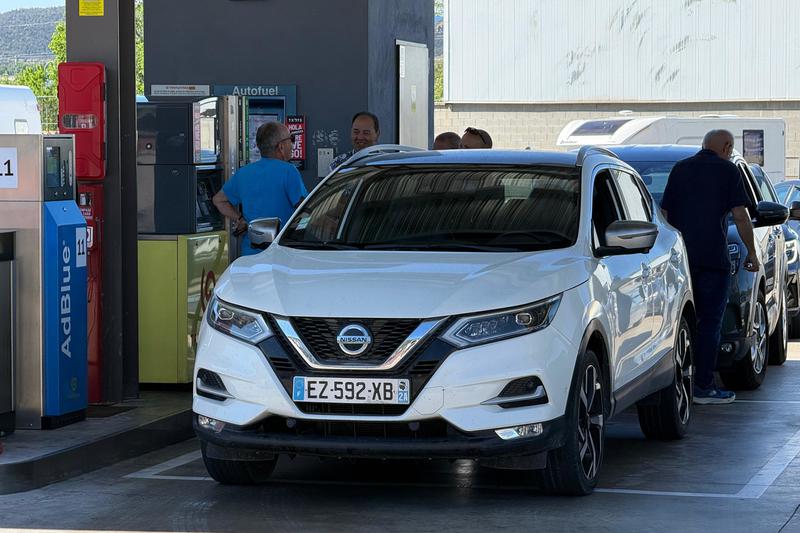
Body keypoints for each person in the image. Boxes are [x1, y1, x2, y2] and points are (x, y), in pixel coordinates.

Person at [661, 129, 759, 405]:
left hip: (681, 261)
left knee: (683, 323)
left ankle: (679, 382)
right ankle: (704, 386)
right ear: (727, 147)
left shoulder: (680, 169)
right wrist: (752, 253)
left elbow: (665, 215)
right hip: (714, 260)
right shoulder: (728, 171)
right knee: (710, 324)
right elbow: (740, 215)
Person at [213, 121, 308, 256]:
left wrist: (240, 219)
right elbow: (305, 209)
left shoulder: (244, 173)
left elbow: (218, 200)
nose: (292, 145)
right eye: (291, 139)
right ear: (281, 146)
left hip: (250, 253)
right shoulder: (289, 171)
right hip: (282, 252)